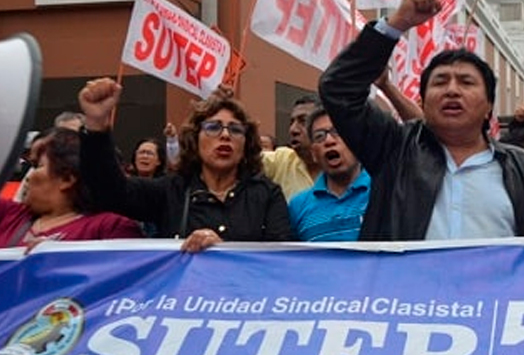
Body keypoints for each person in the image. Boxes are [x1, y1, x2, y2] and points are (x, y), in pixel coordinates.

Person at [318, 0, 524, 248]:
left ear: (489, 107)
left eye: (465, 82)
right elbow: (338, 88)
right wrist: (396, 24)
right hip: (406, 297)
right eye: (440, 82)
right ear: (423, 103)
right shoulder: (394, 149)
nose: (452, 90)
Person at [78, 79, 294, 251]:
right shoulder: (172, 190)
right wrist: (96, 126)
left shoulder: (267, 194)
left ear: (247, 143)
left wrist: (224, 250)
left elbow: (278, 260)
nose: (225, 135)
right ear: (194, 138)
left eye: (236, 130)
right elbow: (110, 192)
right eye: (213, 127)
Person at [0, 129, 142, 248]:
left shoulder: (110, 228)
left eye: (38, 166)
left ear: (67, 179)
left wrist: (62, 260)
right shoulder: (10, 214)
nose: (29, 177)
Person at [288, 108, 371, 242]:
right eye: (319, 136)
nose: (329, 141)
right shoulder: (297, 206)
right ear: (314, 154)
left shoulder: (384, 194)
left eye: (338, 132)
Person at [262, 96, 321, 201]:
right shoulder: (282, 160)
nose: (293, 130)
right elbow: (244, 159)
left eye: (303, 121)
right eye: (291, 122)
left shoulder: (344, 166)